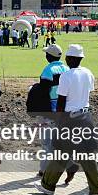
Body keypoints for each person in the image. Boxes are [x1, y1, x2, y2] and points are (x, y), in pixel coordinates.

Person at [35, 44, 98, 195]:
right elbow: (87, 94)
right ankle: (96, 189)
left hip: (69, 118)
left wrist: (59, 121)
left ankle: (48, 185)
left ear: (70, 58)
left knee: (61, 151)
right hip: (85, 117)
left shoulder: (66, 76)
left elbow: (61, 101)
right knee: (86, 154)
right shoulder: (88, 73)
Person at [37, 44, 69, 175]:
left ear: (50, 56)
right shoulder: (67, 68)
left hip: (50, 110)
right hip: (64, 110)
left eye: (46, 54)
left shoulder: (48, 70)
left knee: (47, 143)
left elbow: (43, 93)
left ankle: (44, 170)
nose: (45, 55)